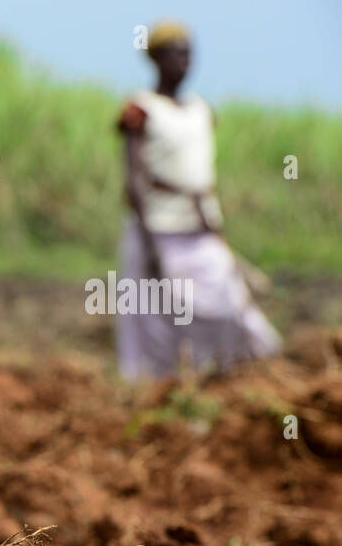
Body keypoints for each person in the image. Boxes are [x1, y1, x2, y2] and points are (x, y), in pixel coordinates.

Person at [115, 21, 280, 381]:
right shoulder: (141, 110)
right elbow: (134, 179)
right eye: (176, 53)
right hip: (158, 227)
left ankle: (235, 375)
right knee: (154, 317)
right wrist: (148, 243)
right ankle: (160, 393)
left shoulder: (201, 110)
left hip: (200, 225)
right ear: (157, 59)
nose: (185, 61)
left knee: (229, 303)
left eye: (189, 53)